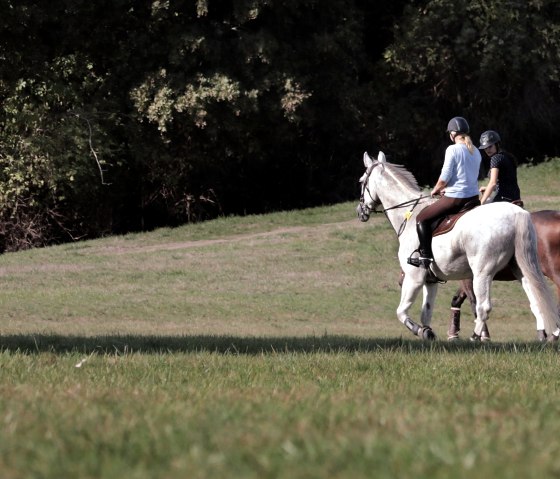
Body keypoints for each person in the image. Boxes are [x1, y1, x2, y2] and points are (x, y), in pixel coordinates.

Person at [412, 116, 481, 268]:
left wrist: (436, 189)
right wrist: (447, 188)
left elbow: (445, 177)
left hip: (456, 199)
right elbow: (465, 176)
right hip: (474, 197)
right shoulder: (476, 151)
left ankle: (425, 257)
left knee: (421, 218)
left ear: (452, 134)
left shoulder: (453, 149)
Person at [478, 130, 521, 204]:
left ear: (497, 144)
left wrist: (481, 202)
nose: (487, 150)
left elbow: (493, 183)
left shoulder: (495, 158)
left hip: (503, 199)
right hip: (516, 198)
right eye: (485, 148)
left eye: (490, 146)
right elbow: (505, 183)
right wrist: (487, 188)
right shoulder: (508, 156)